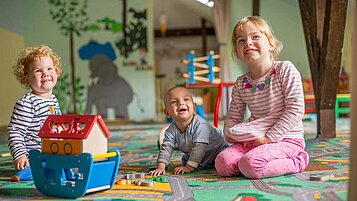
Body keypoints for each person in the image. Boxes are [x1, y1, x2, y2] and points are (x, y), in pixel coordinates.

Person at [214, 16, 309, 179]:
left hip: (286, 139)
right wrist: (229, 132)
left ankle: (297, 161)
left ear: (271, 44)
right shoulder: (241, 83)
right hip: (255, 139)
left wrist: (268, 138)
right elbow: (233, 117)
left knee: (251, 165)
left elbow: (295, 110)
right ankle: (250, 163)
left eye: (255, 37)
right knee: (223, 163)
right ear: (237, 51)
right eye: (241, 40)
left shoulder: (285, 69)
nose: (248, 43)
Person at [8, 45, 62, 181]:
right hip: (34, 156)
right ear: (27, 78)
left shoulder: (54, 100)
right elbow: (15, 132)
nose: (45, 73)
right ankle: (24, 174)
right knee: (40, 169)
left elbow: (59, 123)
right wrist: (20, 155)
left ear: (56, 72)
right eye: (38, 71)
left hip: (53, 152)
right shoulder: (27, 102)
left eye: (50, 68)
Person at [150, 87, 228, 176]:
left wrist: (189, 167)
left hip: (219, 149)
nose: (181, 103)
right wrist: (160, 167)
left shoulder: (201, 126)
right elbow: (166, 147)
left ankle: (204, 163)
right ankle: (203, 163)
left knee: (224, 159)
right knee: (185, 160)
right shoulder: (171, 130)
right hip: (202, 155)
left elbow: (200, 147)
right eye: (174, 102)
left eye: (186, 99)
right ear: (167, 113)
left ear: (194, 107)